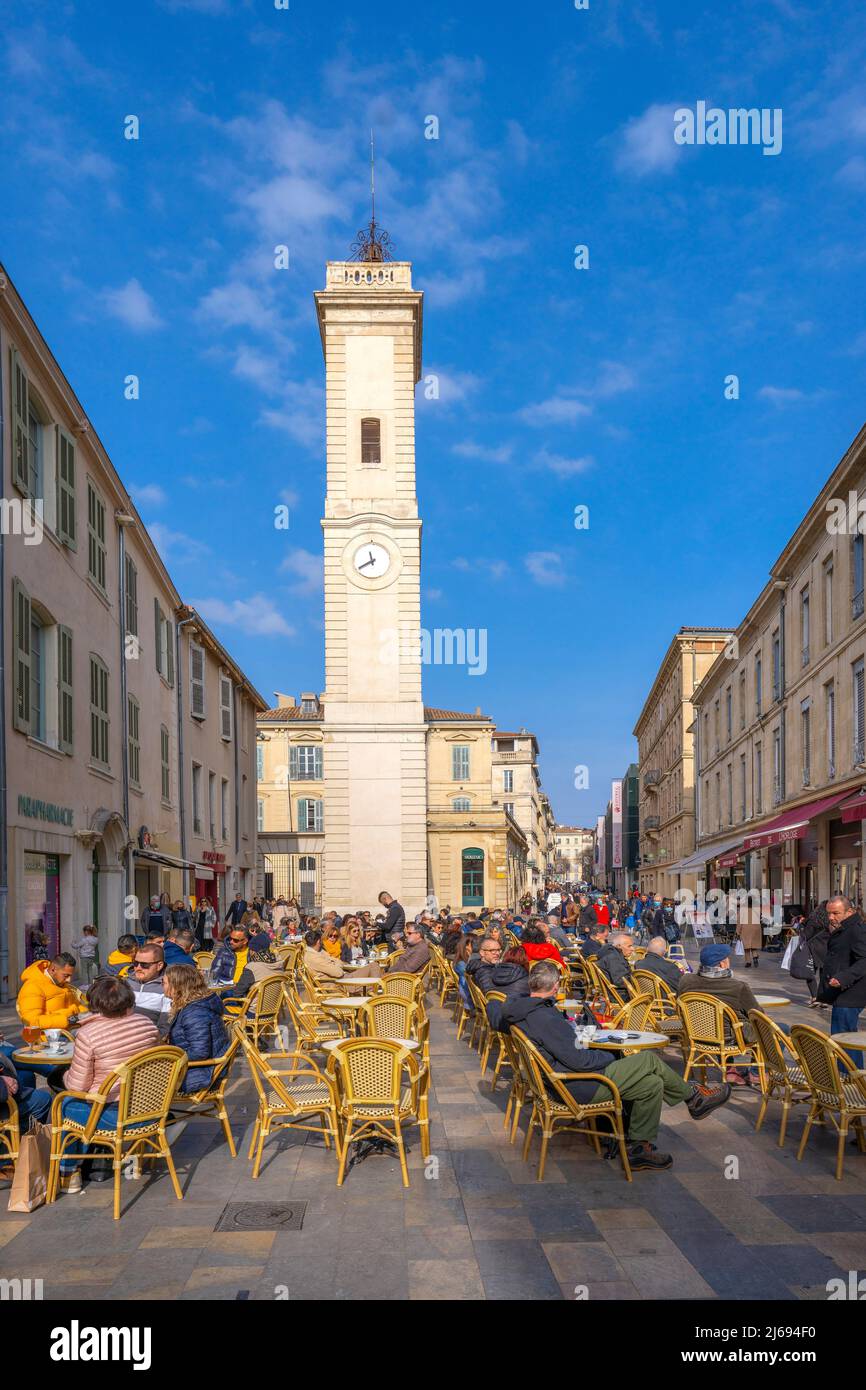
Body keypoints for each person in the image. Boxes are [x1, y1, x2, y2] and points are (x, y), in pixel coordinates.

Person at [496, 960, 731, 1171]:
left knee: (652, 1084)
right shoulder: (545, 1018)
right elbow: (579, 1060)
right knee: (647, 1060)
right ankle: (693, 1097)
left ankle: (639, 1148)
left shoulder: (522, 1011)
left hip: (562, 1081)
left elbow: (498, 1014)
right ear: (556, 987)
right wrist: (612, 1056)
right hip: (577, 1087)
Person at [57, 974, 160, 1192]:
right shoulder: (147, 1024)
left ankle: (69, 1173)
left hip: (114, 1116)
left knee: (64, 1104)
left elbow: (77, 1087)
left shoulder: (88, 1034)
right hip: (150, 1110)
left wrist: (65, 1075)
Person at [678, 944, 761, 1085]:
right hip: (729, 1038)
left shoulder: (686, 981)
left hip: (698, 1034)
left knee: (719, 1022)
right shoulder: (738, 987)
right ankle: (755, 1072)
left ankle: (730, 1068)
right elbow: (759, 1016)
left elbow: (678, 1005)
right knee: (774, 1029)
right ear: (723, 963)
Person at [164, 964, 230, 1093]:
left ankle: (159, 1113)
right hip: (198, 1069)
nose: (162, 986)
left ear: (177, 987)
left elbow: (200, 1052)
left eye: (164, 983)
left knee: (141, 1082)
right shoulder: (196, 1006)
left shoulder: (194, 1013)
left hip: (200, 1074)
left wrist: (169, 1058)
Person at [819, 895, 866, 1067]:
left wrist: (843, 977)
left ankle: (849, 1074)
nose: (831, 917)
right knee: (843, 1035)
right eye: (829, 913)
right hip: (843, 989)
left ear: (849, 912)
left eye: (836, 913)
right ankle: (851, 1073)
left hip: (852, 991)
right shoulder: (845, 927)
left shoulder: (857, 929)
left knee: (843, 1034)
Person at [17, 953, 82, 1030]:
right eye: (66, 976)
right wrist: (66, 1019)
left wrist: (88, 1014)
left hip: (72, 1028)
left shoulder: (61, 983)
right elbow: (31, 1021)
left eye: (70, 976)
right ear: (53, 969)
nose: (69, 980)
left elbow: (78, 1006)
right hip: (52, 1035)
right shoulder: (33, 987)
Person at [126, 943, 173, 1036]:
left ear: (159, 966)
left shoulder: (168, 987)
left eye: (144, 965)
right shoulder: (126, 983)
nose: (138, 968)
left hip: (147, 1041)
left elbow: (165, 1027)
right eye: (135, 963)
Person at [799, 902, 830, 1008]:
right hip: (827, 949)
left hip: (813, 950)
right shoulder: (831, 921)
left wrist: (803, 925)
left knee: (809, 973)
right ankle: (824, 999)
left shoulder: (813, 921)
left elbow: (806, 935)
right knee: (824, 975)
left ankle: (815, 997)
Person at [737, 903, 762, 969]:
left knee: (746, 946)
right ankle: (755, 956)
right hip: (756, 928)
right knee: (753, 945)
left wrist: (738, 931)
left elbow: (739, 921)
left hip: (746, 928)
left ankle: (748, 962)